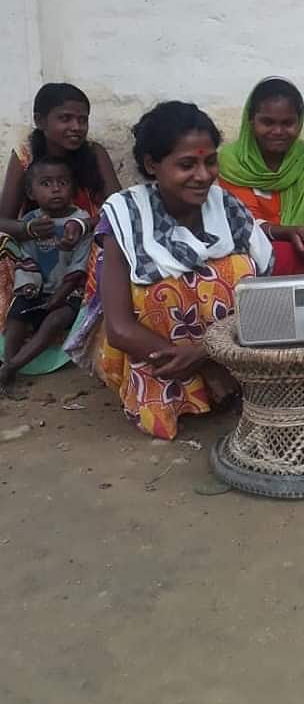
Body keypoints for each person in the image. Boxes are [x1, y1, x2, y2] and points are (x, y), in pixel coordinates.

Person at [67, 102, 273, 440]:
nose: (204, 175)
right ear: (152, 165)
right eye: (187, 164)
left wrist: (208, 350)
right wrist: (203, 363)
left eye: (210, 161)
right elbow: (119, 329)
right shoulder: (125, 215)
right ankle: (182, 394)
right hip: (157, 355)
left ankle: (231, 379)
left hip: (226, 351)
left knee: (236, 269)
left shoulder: (226, 207)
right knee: (160, 291)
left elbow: (265, 300)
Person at [0, 83, 120, 372]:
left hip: (86, 240)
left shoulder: (95, 153)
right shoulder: (26, 156)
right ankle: (11, 346)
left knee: (111, 249)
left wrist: (82, 224)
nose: (76, 127)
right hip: (37, 247)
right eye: (65, 118)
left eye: (82, 119)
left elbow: (119, 208)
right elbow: (3, 219)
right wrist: (28, 230)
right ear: (41, 120)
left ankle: (79, 327)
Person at [218, 78, 304, 274]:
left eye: (288, 123)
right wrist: (287, 232)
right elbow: (242, 222)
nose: (278, 131)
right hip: (251, 248)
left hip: (303, 246)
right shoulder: (232, 162)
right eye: (267, 122)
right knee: (273, 255)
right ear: (251, 120)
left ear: (300, 122)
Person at [0, 158, 92, 398]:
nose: (56, 188)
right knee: (16, 316)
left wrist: (61, 294)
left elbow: (80, 265)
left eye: (63, 182)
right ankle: (7, 365)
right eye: (46, 183)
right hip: (35, 288)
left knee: (55, 320)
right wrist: (29, 289)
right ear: (31, 191)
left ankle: (13, 366)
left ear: (73, 188)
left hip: (69, 291)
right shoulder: (30, 222)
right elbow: (24, 260)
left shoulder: (80, 221)